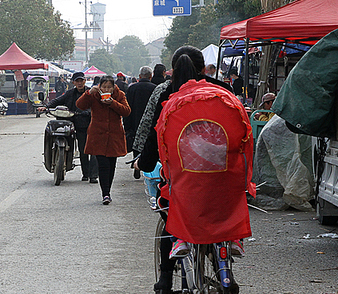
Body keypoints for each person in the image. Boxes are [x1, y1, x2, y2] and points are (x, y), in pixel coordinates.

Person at [154, 58, 255, 260]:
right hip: (225, 174)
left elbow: (163, 144)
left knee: (172, 200)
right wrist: (245, 175)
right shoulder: (224, 93)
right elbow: (246, 141)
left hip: (187, 177)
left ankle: (180, 240)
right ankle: (234, 238)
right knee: (229, 198)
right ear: (202, 69)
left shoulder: (172, 100)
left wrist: (168, 173)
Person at [75, 74, 130, 204]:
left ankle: (108, 190)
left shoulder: (120, 95)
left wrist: (113, 103)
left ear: (113, 87)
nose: (106, 90)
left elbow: (127, 111)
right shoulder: (94, 95)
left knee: (111, 165)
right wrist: (88, 93)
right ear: (99, 86)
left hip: (114, 135)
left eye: (109, 87)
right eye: (104, 87)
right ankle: (105, 193)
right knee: (103, 165)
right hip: (97, 134)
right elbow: (80, 105)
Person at [46, 71, 97, 182]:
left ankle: (93, 175)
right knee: (83, 150)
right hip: (78, 126)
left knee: (94, 151)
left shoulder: (91, 92)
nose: (79, 83)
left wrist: (88, 112)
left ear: (85, 81)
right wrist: (46, 106)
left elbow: (97, 106)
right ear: (73, 82)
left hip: (92, 125)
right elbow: (57, 101)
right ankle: (86, 174)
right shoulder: (69, 94)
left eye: (81, 81)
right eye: (77, 81)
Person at [123, 66, 156, 167]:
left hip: (135, 120)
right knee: (148, 143)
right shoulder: (154, 88)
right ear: (151, 76)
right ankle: (145, 164)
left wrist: (127, 125)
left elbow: (127, 107)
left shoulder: (132, 88)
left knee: (136, 143)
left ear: (140, 76)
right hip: (150, 121)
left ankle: (136, 163)